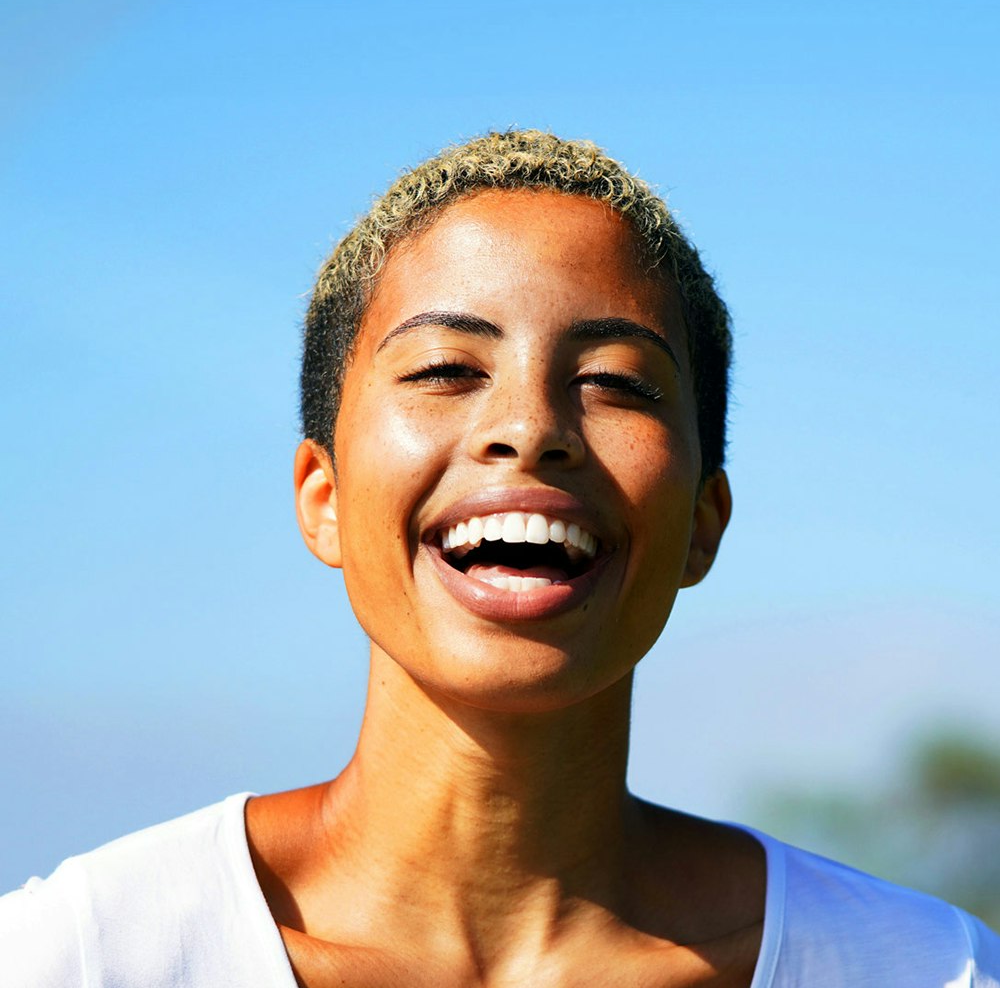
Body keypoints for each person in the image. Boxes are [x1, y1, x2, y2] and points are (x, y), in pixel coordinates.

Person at [2, 130, 998, 987]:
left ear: (703, 519)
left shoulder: (917, 967)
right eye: (445, 368)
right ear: (325, 497)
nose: (529, 428)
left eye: (614, 382)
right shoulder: (81, 956)